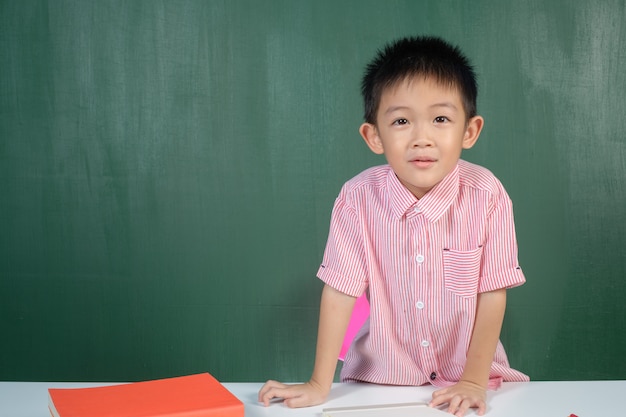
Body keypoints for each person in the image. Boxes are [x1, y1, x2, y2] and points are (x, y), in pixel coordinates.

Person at [258, 35, 529, 417]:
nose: (422, 138)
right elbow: (340, 292)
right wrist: (320, 383)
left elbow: (492, 293)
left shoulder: (488, 195)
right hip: (378, 385)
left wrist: (471, 381)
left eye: (440, 119)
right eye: (401, 121)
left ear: (469, 130)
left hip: (473, 383)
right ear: (374, 136)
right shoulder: (357, 198)